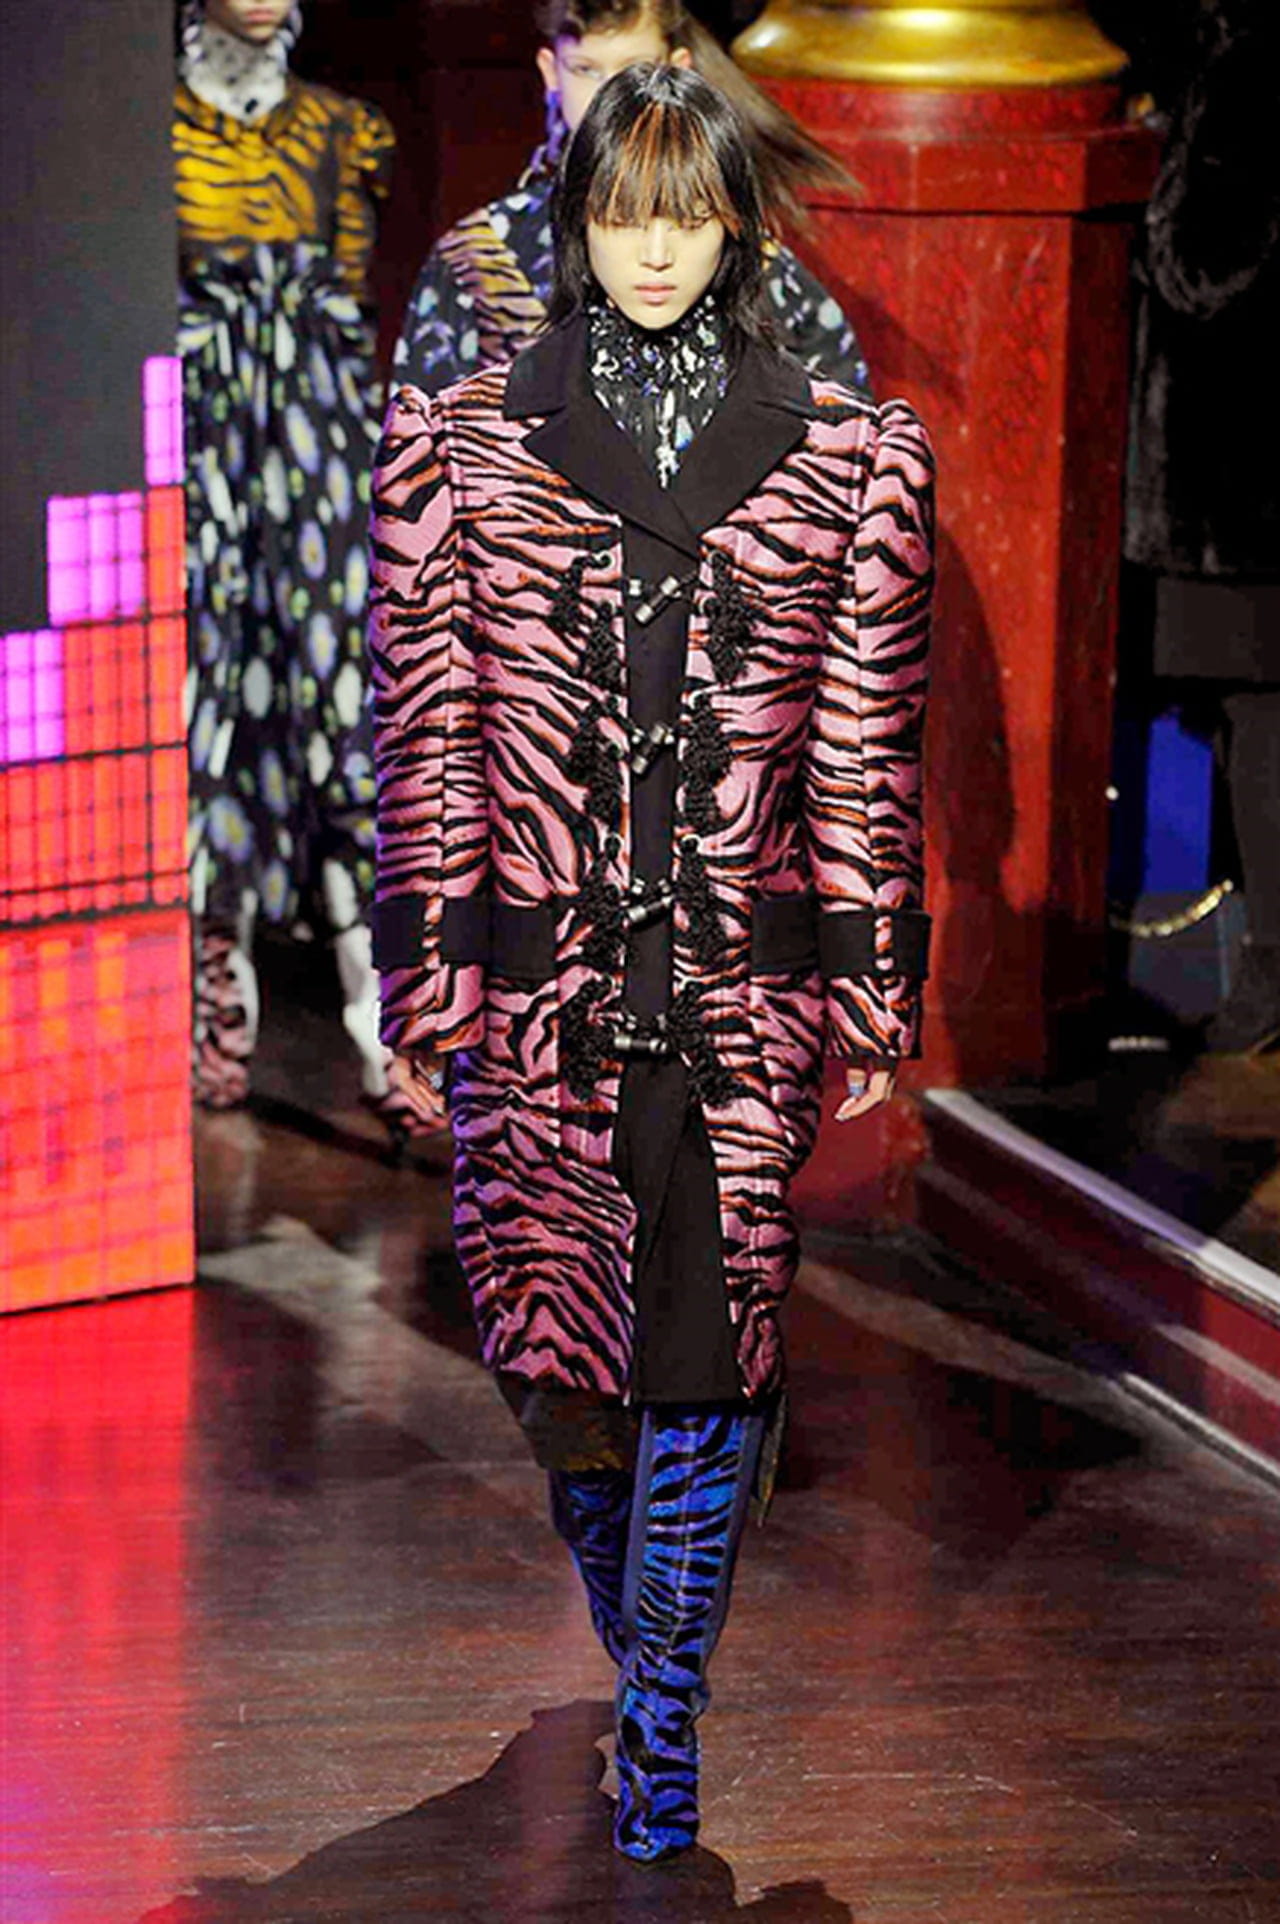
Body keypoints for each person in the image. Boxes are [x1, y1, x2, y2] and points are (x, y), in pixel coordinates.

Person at [369, 66, 933, 1861]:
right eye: (624, 214)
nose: (657, 250)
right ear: (577, 224)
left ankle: (666, 1721)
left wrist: (871, 982)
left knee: (713, 1350)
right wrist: (425, 982)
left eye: (686, 214)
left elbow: (860, 751)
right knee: (561, 1378)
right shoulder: (465, 448)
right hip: (540, 996)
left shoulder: (845, 459)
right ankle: (639, 1656)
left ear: (737, 223)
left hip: (738, 992)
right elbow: (433, 741)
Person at [175, 0, 409, 1119]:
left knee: (347, 711)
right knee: (202, 710)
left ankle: (391, 1033)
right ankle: (210, 1008)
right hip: (194, 445)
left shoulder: (347, 133)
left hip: (318, 452)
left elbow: (348, 320)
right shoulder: (144, 134)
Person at [393, 0, 871, 400]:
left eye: (634, 70)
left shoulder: (747, 260)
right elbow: (418, 454)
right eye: (585, 69)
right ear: (551, 72)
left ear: (678, 70)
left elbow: (836, 439)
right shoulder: (476, 263)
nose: (609, 94)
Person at [1122, 0, 1280, 1052]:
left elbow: (1199, 265)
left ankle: (1266, 969)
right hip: (1245, 473)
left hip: (1232, 476)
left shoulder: (1246, 63)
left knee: (1256, 719)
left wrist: (1146, 205)